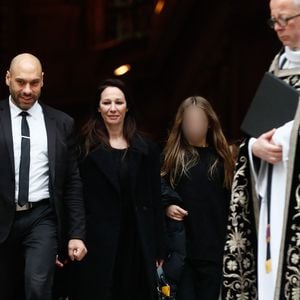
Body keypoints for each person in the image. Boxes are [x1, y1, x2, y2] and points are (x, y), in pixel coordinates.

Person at [222, 0, 300, 299]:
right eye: (273, 21)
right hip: (275, 200)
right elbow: (257, 134)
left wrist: (286, 139)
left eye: (285, 19)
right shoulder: (276, 67)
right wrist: (254, 146)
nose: (278, 28)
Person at [0, 53, 87, 300]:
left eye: (34, 83)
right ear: (7, 78)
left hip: (42, 219)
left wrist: (76, 234)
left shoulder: (62, 123)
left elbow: (71, 182)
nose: (27, 90)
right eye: (20, 82)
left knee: (38, 288)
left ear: (43, 80)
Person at [70, 78, 165, 300]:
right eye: (107, 103)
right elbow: (75, 195)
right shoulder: (83, 148)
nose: (113, 108)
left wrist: (159, 246)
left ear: (127, 106)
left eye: (118, 102)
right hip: (97, 241)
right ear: (98, 107)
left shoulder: (147, 149)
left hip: (137, 241)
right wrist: (75, 235)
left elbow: (154, 199)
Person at [161, 96, 234, 300]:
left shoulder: (222, 160)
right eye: (188, 122)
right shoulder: (171, 159)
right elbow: (155, 191)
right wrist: (167, 206)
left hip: (215, 251)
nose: (193, 126)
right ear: (180, 124)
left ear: (209, 122)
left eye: (198, 120)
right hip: (183, 254)